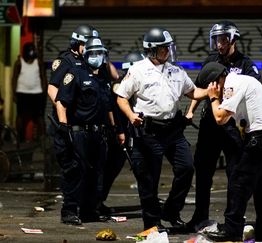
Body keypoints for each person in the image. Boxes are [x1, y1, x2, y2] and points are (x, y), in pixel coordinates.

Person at [115, 27, 208, 231]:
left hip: (173, 130)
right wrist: (131, 116)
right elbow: (121, 97)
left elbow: (193, 92)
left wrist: (210, 91)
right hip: (148, 132)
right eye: (164, 48)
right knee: (149, 180)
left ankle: (171, 211)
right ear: (152, 50)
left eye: (169, 47)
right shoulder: (138, 70)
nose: (168, 51)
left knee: (186, 168)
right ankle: (152, 224)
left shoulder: (176, 71)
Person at [186, 20, 261, 231]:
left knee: (234, 174)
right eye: (217, 40)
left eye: (223, 39)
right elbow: (200, 86)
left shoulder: (246, 65)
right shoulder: (211, 60)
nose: (219, 44)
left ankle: (232, 220)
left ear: (233, 39)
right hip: (210, 124)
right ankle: (199, 217)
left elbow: (254, 92)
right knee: (202, 171)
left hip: (232, 126)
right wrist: (190, 110)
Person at [196, 62, 262, 242]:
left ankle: (232, 229)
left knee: (239, 183)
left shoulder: (231, 85)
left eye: (211, 87)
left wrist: (212, 98)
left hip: (260, 137)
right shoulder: (243, 80)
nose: (212, 90)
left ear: (216, 82)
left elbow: (219, 117)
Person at [55, 37, 115, 224]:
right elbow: (61, 102)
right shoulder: (75, 74)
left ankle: (89, 210)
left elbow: (108, 106)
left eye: (100, 53)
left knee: (95, 173)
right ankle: (70, 211)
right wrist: (65, 127)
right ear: (86, 54)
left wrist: (114, 129)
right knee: (76, 172)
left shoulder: (103, 78)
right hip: (79, 132)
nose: (97, 57)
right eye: (93, 53)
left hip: (99, 133)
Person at [99, 51, 145, 216]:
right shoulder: (120, 85)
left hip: (128, 132)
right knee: (111, 168)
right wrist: (119, 131)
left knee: (120, 167)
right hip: (118, 134)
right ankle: (97, 201)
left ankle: (99, 200)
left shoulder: (134, 82)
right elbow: (115, 112)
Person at [11, 42, 47, 142]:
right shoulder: (19, 62)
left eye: (33, 50)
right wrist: (14, 93)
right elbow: (14, 78)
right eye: (31, 50)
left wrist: (44, 91)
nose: (33, 52)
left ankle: (42, 138)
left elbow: (43, 77)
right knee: (20, 116)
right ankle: (19, 137)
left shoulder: (38, 62)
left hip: (37, 93)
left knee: (39, 116)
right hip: (22, 93)